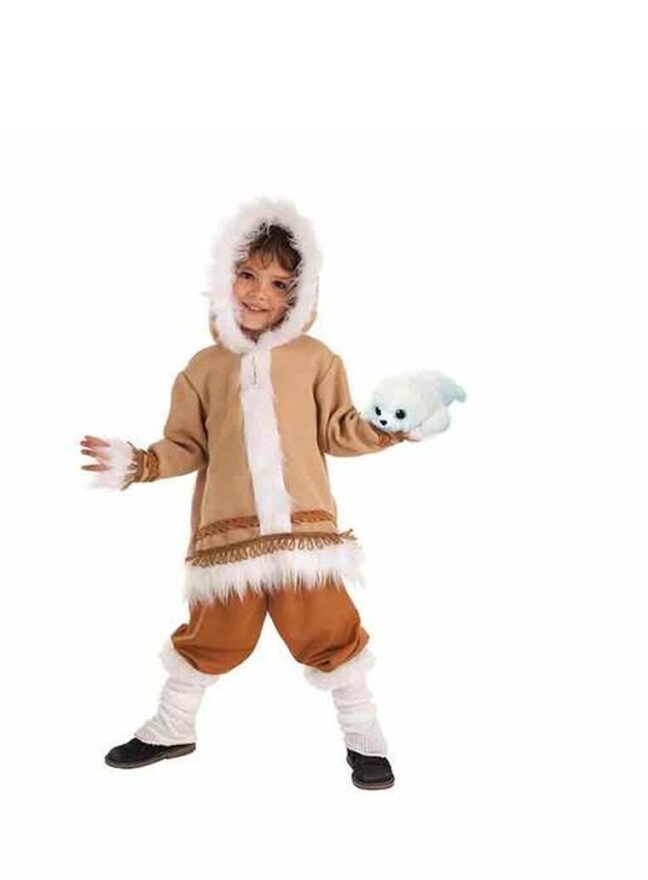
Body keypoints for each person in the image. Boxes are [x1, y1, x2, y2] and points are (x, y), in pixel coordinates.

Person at [81, 197, 452, 790]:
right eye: (247, 274)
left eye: (279, 284)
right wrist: (140, 463)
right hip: (229, 543)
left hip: (305, 539)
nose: (259, 293)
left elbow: (338, 430)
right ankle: (173, 726)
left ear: (298, 296)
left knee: (331, 632)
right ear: (223, 277)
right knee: (213, 635)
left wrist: (390, 426)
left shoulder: (316, 360)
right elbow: (186, 445)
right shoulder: (203, 369)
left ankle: (364, 738)